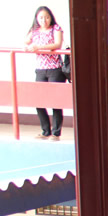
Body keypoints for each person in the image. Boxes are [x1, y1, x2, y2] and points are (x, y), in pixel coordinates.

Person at [25, 6, 64, 140]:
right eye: (41, 17)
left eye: (46, 17)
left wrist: (39, 47)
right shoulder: (34, 30)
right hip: (40, 69)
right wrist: (28, 46)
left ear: (51, 17)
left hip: (55, 69)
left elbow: (57, 44)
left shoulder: (56, 28)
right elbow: (26, 41)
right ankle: (45, 130)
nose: (44, 20)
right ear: (37, 18)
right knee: (39, 100)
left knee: (55, 101)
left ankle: (56, 132)